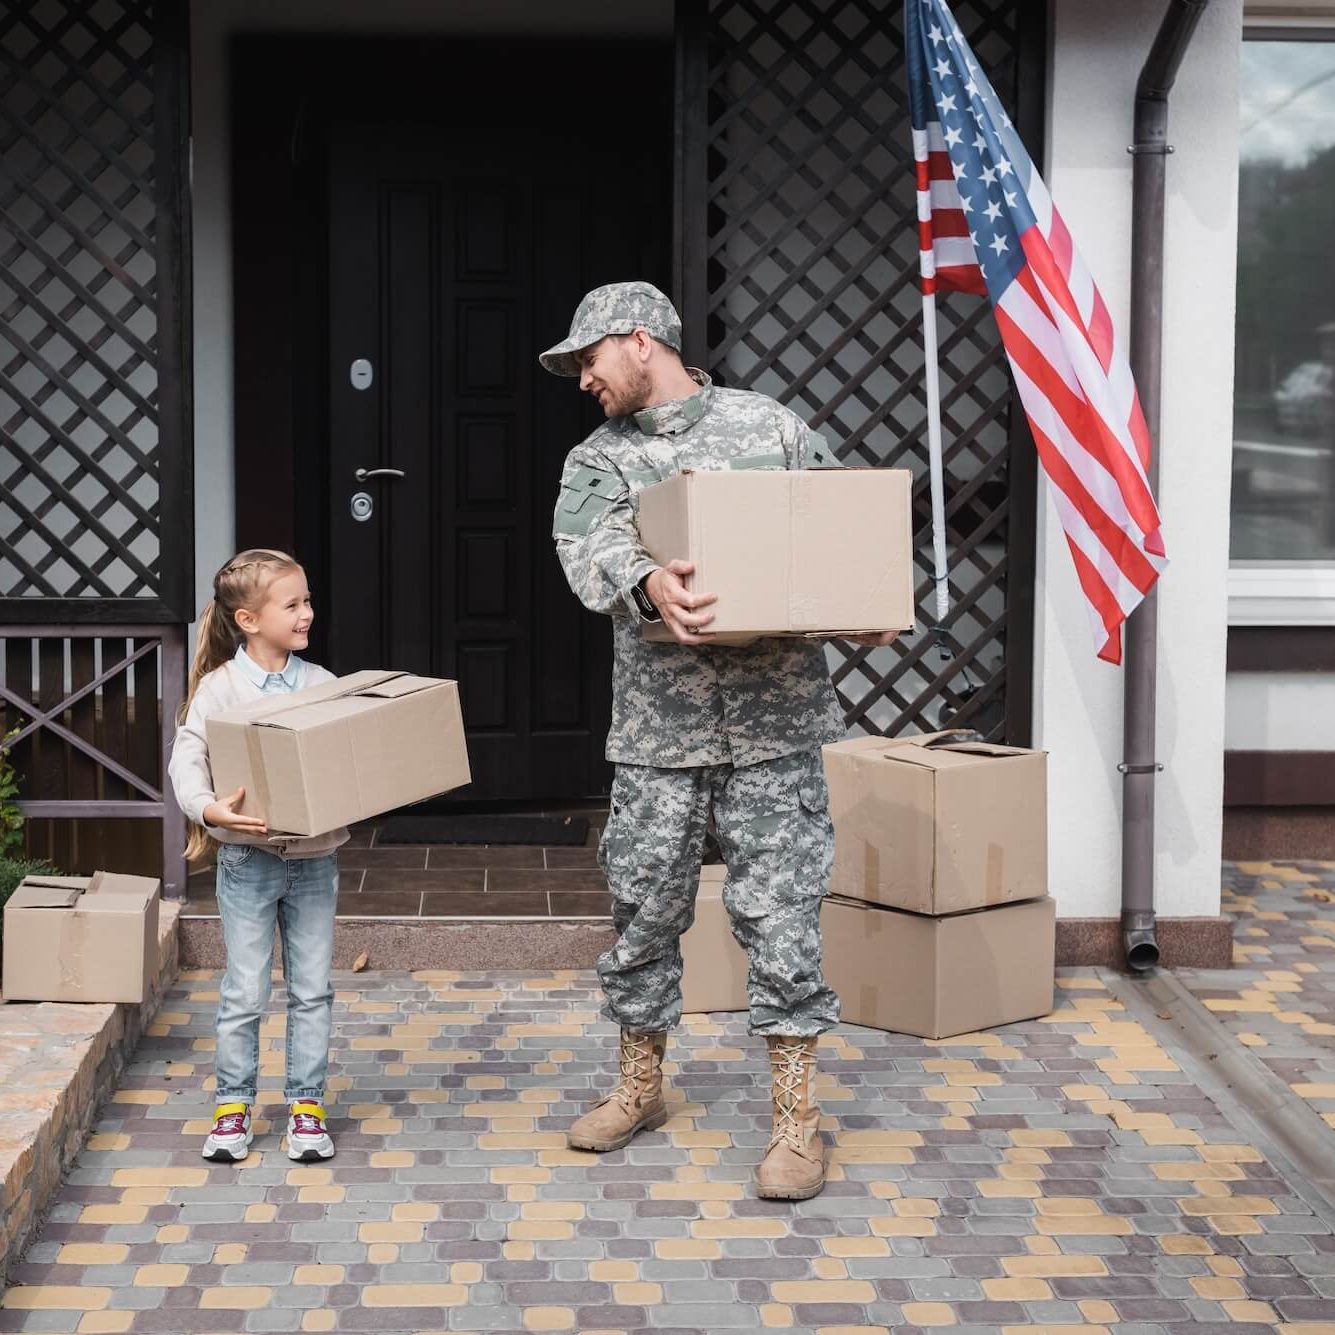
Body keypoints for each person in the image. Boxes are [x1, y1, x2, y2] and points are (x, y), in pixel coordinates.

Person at [542, 281, 897, 1200]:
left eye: (589, 359)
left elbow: (834, 530)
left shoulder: (769, 426)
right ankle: (639, 1088)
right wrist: (650, 580)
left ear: (637, 341)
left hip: (774, 729)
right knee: (644, 913)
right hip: (659, 735)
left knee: (780, 921)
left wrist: (863, 604)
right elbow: (586, 554)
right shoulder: (599, 458)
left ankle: (794, 1123)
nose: (583, 378)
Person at [168, 549, 346, 1164]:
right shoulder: (220, 690)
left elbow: (344, 759)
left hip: (315, 859)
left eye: (307, 601)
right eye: (292, 605)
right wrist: (208, 808)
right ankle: (232, 1108)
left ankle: (306, 1107)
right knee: (245, 991)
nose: (307, 614)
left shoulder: (323, 685)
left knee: (313, 990)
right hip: (247, 863)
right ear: (248, 620)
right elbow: (187, 757)